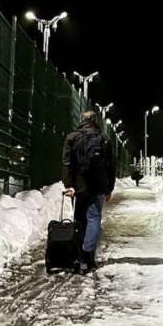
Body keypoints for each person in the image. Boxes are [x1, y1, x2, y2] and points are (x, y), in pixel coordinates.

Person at [62, 111, 115, 272]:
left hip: (79, 185)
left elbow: (66, 163)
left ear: (82, 121)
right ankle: (88, 256)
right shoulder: (104, 138)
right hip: (98, 185)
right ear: (95, 121)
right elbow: (111, 165)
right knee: (94, 218)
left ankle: (78, 257)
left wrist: (69, 185)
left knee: (79, 219)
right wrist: (109, 188)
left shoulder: (72, 137)